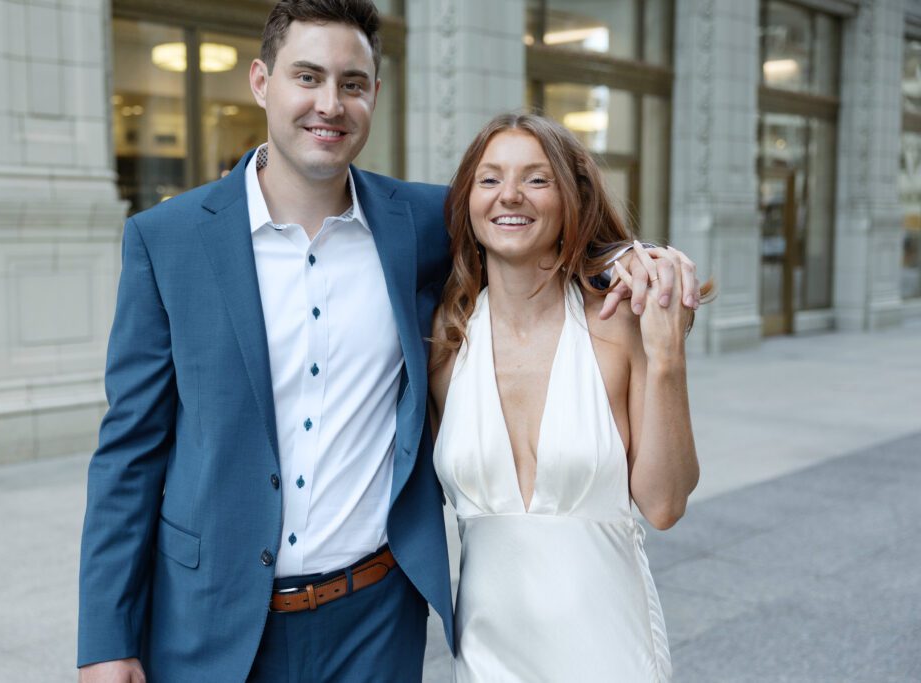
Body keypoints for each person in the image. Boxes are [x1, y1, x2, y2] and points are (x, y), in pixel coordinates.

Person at [77, 2, 699, 681]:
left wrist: (636, 264)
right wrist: (107, 637)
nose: (329, 104)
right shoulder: (166, 241)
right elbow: (128, 454)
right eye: (307, 77)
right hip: (213, 623)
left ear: (375, 93)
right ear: (261, 81)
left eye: (352, 82)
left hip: (374, 622)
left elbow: (534, 222)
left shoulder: (422, 223)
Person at [429, 113, 708, 682]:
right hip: (488, 658)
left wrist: (667, 359)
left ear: (570, 199)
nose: (510, 195)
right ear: (467, 201)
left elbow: (664, 504)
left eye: (537, 179)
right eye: (490, 179)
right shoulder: (447, 343)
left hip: (609, 651)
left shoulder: (618, 330)